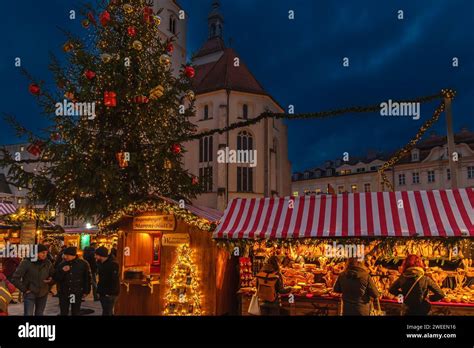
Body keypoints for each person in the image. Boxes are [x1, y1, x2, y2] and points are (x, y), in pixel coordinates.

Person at [11, 244, 54, 316]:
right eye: (42, 252)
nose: (45, 254)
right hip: (30, 293)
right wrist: (24, 289)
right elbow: (15, 278)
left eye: (46, 253)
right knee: (28, 314)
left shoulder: (48, 263)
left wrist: (51, 280)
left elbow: (53, 275)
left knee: (40, 314)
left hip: (43, 292)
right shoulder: (26, 262)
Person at [54, 247, 92, 316]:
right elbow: (56, 278)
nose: (65, 257)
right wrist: (63, 271)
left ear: (74, 255)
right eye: (65, 255)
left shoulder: (82, 264)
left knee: (75, 311)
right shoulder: (62, 264)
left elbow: (87, 278)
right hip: (64, 292)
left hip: (75, 292)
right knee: (64, 311)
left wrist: (86, 291)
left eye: (67, 255)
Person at [95, 246, 120, 315]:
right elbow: (101, 279)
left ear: (101, 255)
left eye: (96, 255)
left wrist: (109, 293)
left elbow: (114, 280)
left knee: (108, 311)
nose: (95, 256)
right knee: (105, 310)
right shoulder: (100, 263)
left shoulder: (113, 264)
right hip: (102, 291)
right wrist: (99, 291)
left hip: (110, 293)